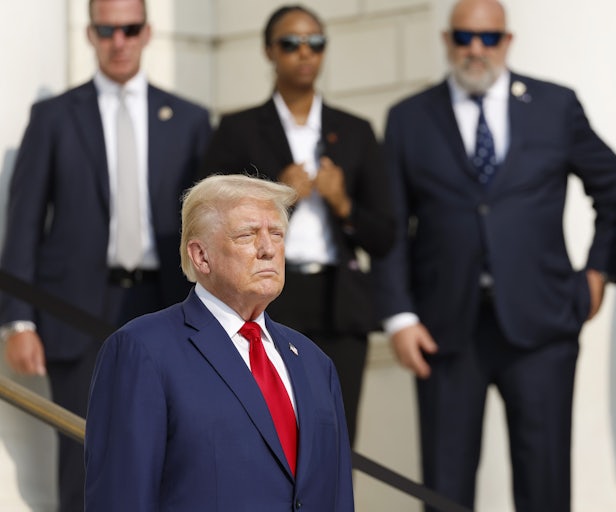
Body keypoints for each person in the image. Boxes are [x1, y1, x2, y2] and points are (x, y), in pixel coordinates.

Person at [371, 0, 616, 510]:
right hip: (444, 330)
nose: (476, 49)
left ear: (507, 42)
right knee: (445, 488)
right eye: (465, 37)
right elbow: (391, 226)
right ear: (447, 40)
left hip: (542, 325)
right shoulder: (409, 118)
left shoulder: (555, 106)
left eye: (489, 38)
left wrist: (599, 271)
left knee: (545, 483)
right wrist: (400, 316)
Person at [0, 0, 210, 509]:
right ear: (91, 35)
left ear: (147, 32)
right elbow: (24, 223)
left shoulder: (189, 119)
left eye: (130, 28)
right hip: (75, 312)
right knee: (83, 457)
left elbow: (208, 225)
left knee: (172, 455)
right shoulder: (52, 117)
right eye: (107, 29)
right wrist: (18, 323)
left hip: (168, 309)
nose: (119, 40)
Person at [84, 174, 354, 511]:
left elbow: (337, 496)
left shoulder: (315, 363)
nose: (268, 249)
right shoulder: (142, 350)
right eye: (247, 235)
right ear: (201, 256)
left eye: (277, 234)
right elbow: (121, 499)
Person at [199, 4, 394, 445]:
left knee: (337, 440)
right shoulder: (238, 130)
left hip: (339, 303)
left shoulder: (356, 131)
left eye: (315, 43)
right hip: (264, 300)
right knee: (264, 435)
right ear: (270, 51)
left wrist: (344, 203)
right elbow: (208, 218)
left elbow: (384, 235)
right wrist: (275, 195)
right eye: (291, 43)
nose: (304, 53)